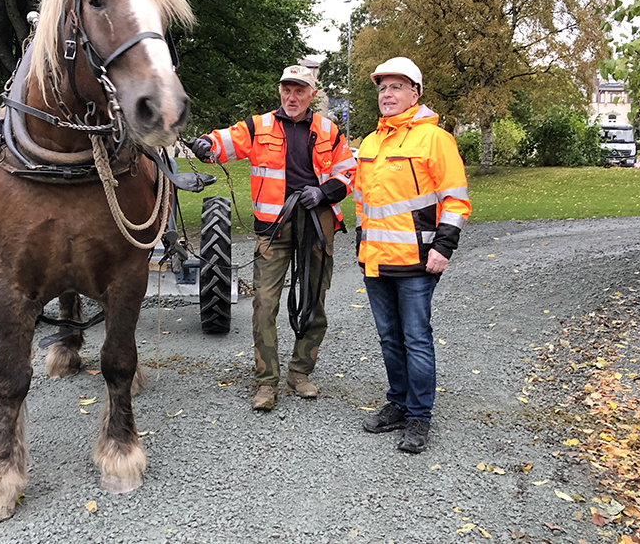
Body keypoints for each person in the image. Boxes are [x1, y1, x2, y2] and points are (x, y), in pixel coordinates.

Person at [192, 65, 356, 411]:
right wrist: (207, 143)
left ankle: (300, 372)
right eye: (287, 90)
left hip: (316, 220)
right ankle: (266, 381)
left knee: (314, 302)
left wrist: (324, 192)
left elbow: (349, 173)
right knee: (264, 304)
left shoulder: (329, 130)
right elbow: (225, 142)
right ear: (280, 91)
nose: (292, 97)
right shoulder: (258, 126)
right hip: (274, 226)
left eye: (300, 91)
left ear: (312, 94)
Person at [354, 57, 471, 453]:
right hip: (375, 260)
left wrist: (444, 247)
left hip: (418, 262)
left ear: (415, 93)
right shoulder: (370, 143)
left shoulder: (435, 139)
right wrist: (361, 245)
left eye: (396, 87)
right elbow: (362, 202)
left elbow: (456, 199)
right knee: (390, 338)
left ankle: (419, 416)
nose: (387, 94)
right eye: (383, 87)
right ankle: (398, 404)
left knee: (416, 339)